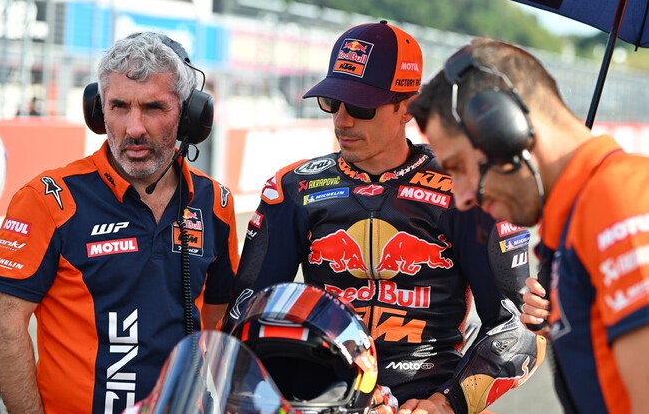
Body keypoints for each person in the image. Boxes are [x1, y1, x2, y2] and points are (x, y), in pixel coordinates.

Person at [227, 21, 546, 414]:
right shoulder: (293, 189)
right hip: (324, 399)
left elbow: (518, 327)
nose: (342, 120)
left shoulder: (467, 191)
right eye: (332, 102)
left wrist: (447, 403)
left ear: (407, 106)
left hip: (427, 397)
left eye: (360, 106)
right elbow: (244, 316)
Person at [0, 32, 239, 414]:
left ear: (188, 116)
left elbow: (218, 327)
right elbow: (4, 324)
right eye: (119, 106)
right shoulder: (48, 200)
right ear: (99, 112)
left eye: (154, 107)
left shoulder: (215, 204)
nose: (134, 128)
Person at [408, 37, 649, 413]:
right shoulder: (579, 216)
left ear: (505, 130)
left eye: (459, 167)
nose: (463, 197)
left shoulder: (619, 201)